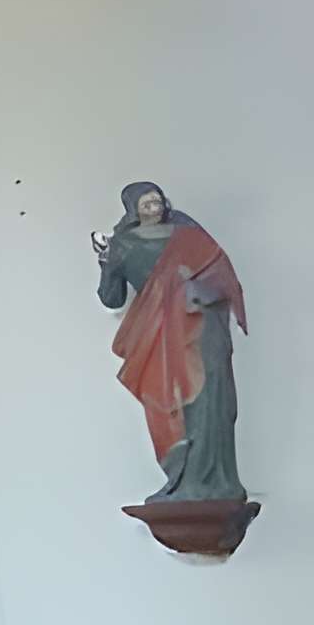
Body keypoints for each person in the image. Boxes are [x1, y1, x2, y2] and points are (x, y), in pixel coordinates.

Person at [94, 182, 247, 502]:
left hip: (200, 329)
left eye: (158, 201)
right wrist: (106, 263)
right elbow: (111, 298)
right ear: (133, 209)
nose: (155, 208)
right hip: (158, 337)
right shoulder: (121, 245)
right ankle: (180, 478)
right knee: (167, 403)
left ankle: (216, 483)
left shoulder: (187, 236)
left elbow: (221, 275)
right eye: (147, 204)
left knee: (211, 402)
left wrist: (198, 290)